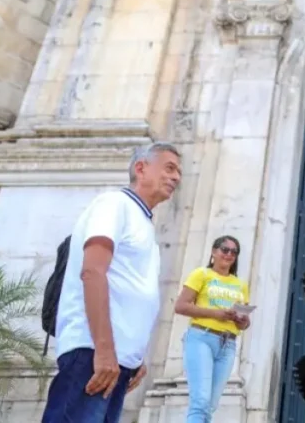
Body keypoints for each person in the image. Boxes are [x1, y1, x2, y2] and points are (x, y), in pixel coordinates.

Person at [41, 142, 182, 423]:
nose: (176, 177)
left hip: (117, 361)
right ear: (140, 168)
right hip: (92, 353)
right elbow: (93, 271)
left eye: (178, 172)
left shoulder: (143, 223)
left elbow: (130, 290)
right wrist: (104, 350)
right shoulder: (114, 205)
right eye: (169, 168)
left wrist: (135, 356)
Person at [174, 235, 252, 423]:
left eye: (234, 252)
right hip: (202, 337)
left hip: (228, 344)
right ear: (213, 252)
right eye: (225, 249)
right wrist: (216, 314)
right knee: (200, 401)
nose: (229, 254)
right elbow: (180, 306)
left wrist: (241, 319)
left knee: (210, 405)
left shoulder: (240, 284)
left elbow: (245, 324)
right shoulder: (201, 274)